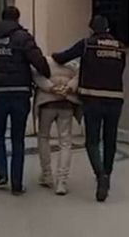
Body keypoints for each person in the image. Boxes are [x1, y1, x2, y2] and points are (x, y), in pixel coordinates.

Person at [52, 15, 126, 203]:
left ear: (92, 30)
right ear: (107, 29)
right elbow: (121, 69)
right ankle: (107, 175)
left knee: (92, 141)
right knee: (110, 140)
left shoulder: (87, 44)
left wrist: (50, 58)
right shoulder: (120, 46)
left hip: (93, 98)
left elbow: (62, 57)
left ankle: (100, 175)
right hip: (115, 99)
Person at [0, 6, 51, 196]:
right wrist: (48, 73)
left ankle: (2, 174)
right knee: (17, 139)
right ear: (17, 19)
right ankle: (16, 184)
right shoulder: (23, 37)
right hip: (19, 92)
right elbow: (38, 61)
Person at [31, 57, 81, 196]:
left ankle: (47, 175)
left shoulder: (45, 62)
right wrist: (68, 87)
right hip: (66, 103)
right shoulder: (72, 64)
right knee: (65, 142)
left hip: (46, 103)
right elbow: (80, 75)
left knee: (43, 138)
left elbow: (36, 75)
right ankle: (61, 182)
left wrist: (51, 87)